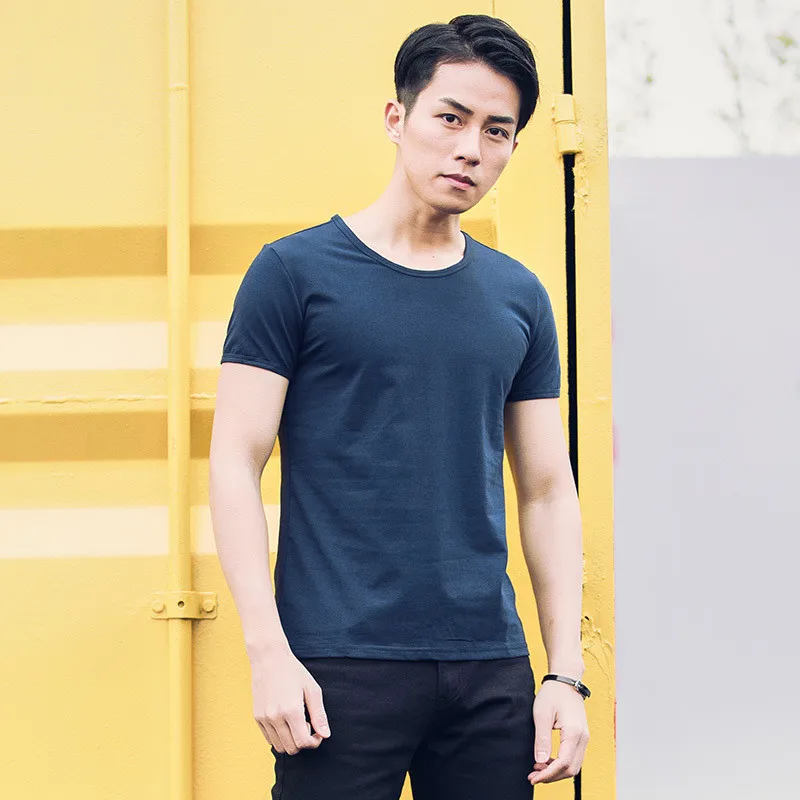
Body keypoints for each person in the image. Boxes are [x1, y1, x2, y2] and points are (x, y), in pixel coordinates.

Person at [209, 13, 590, 800]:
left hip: (489, 668)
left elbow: (548, 490)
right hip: (337, 667)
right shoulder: (293, 274)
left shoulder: (518, 296)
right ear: (397, 117)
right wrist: (267, 652)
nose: (471, 148)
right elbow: (235, 461)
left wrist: (564, 673)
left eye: (497, 131)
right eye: (450, 118)